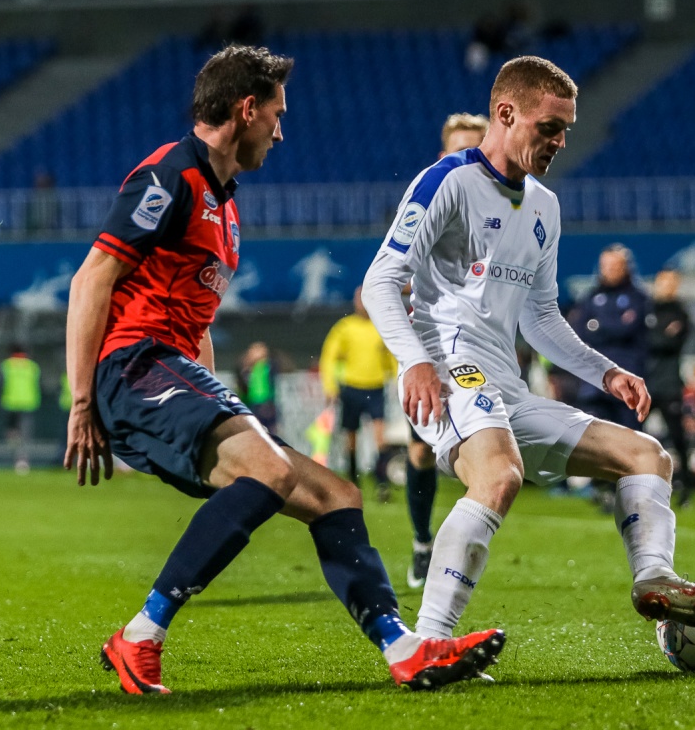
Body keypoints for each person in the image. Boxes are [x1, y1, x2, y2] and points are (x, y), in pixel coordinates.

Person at [64, 44, 504, 695]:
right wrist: (83, 402)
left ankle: (405, 649)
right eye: (277, 114)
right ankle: (141, 635)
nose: (280, 131)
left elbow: (197, 322)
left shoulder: (226, 205)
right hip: (133, 366)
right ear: (247, 109)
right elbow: (91, 279)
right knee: (269, 471)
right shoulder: (169, 176)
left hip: (174, 373)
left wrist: (219, 404)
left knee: (336, 495)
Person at [362, 55, 695, 642]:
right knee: (499, 475)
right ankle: (430, 642)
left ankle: (654, 579)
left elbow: (540, 317)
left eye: (566, 129)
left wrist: (605, 371)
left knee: (647, 456)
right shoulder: (448, 181)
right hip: (449, 368)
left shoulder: (545, 205)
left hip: (507, 388)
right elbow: (381, 280)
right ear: (505, 113)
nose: (560, 141)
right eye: (549, 127)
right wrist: (414, 360)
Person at [405, 112, 489, 589]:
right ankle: (424, 543)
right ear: (442, 156)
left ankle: (457, 557)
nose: (467, 161)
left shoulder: (508, 210)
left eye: (475, 151)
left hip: (486, 349)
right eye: (458, 151)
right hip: (432, 347)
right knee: (421, 453)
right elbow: (390, 271)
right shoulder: (429, 202)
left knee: (488, 458)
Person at [319, 286, 398, 501]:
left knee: (380, 437)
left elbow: (391, 356)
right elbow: (329, 357)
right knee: (351, 438)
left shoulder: (381, 327)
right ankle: (354, 480)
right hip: (352, 389)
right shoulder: (345, 327)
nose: (362, 303)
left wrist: (398, 379)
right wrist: (330, 387)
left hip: (376, 388)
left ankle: (382, 482)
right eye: (359, 299)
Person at [564, 243, 650, 431]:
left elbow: (626, 330)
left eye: (614, 265)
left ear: (626, 267)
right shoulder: (590, 298)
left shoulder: (638, 298)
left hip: (627, 380)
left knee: (630, 437)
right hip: (594, 382)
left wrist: (599, 326)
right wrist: (615, 325)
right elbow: (579, 331)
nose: (609, 270)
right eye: (605, 266)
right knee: (593, 436)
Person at [645, 268, 695, 507]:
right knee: (630, 434)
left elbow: (667, 342)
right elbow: (646, 341)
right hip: (644, 382)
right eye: (663, 282)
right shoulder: (646, 309)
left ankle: (685, 487)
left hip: (668, 384)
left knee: (678, 438)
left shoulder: (680, 313)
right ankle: (620, 484)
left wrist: (653, 336)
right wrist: (658, 336)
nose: (666, 287)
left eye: (671, 283)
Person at [0, 345, 41, 474]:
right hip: (28, 403)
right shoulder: (32, 366)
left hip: (10, 403)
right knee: (25, 434)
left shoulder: (6, 365)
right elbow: (40, 384)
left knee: (12, 433)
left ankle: (16, 456)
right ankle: (22, 459)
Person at [235, 341, 278, 435]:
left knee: (268, 432)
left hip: (265, 403)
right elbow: (241, 385)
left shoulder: (268, 365)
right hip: (249, 403)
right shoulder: (244, 367)